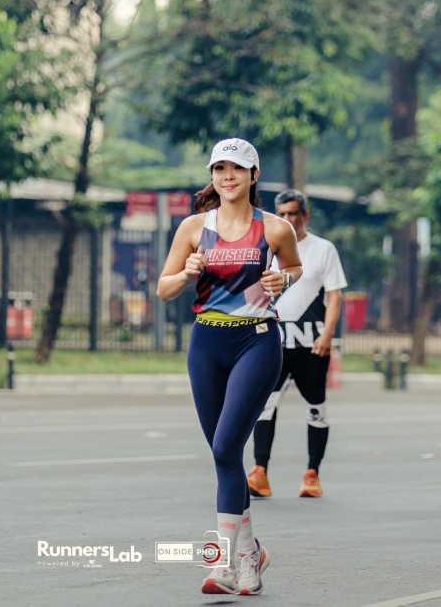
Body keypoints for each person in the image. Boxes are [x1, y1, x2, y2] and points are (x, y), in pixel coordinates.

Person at [157, 138, 302, 596]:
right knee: (226, 457)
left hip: (255, 341)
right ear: (212, 176)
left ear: (254, 175)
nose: (228, 176)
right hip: (205, 344)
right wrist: (186, 274)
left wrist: (284, 278)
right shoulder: (194, 228)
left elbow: (294, 268)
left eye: (237, 168)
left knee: (224, 448)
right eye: (219, 168)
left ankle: (226, 565)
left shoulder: (275, 229)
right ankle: (250, 551)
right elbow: (164, 289)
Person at [247, 188, 347, 499]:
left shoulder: (323, 249)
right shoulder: (266, 247)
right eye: (282, 214)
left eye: (294, 213)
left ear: (305, 216)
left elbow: (333, 295)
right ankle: (259, 472)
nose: (288, 219)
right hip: (273, 342)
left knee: (315, 408)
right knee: (264, 405)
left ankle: (312, 474)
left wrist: (327, 334)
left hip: (311, 344)